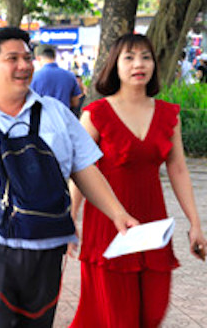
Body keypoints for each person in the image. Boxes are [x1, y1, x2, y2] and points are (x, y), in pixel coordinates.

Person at [0, 26, 138, 328]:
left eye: (28, 58)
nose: (24, 66)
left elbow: (84, 169)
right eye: (13, 58)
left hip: (48, 247)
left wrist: (118, 214)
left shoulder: (56, 113)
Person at [69, 33, 207, 328]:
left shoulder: (169, 114)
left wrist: (195, 223)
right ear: (114, 65)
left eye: (145, 57)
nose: (138, 64)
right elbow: (81, 170)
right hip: (107, 227)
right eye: (129, 57)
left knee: (153, 312)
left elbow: (179, 169)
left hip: (153, 226)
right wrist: (71, 217)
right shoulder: (96, 114)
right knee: (118, 319)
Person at [31, 44, 82, 110]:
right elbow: (75, 102)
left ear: (38, 58)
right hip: (63, 117)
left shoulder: (33, 77)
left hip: (42, 118)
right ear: (54, 56)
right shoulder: (70, 76)